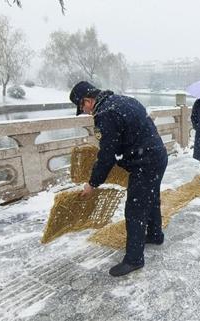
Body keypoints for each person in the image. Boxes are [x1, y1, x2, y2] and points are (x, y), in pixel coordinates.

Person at [70, 81, 168, 277]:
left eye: (83, 108)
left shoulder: (105, 114)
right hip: (158, 155)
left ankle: (134, 259)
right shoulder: (124, 100)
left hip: (145, 162)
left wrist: (92, 183)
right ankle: (155, 235)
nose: (87, 113)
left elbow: (107, 155)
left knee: (135, 209)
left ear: (87, 101)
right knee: (151, 197)